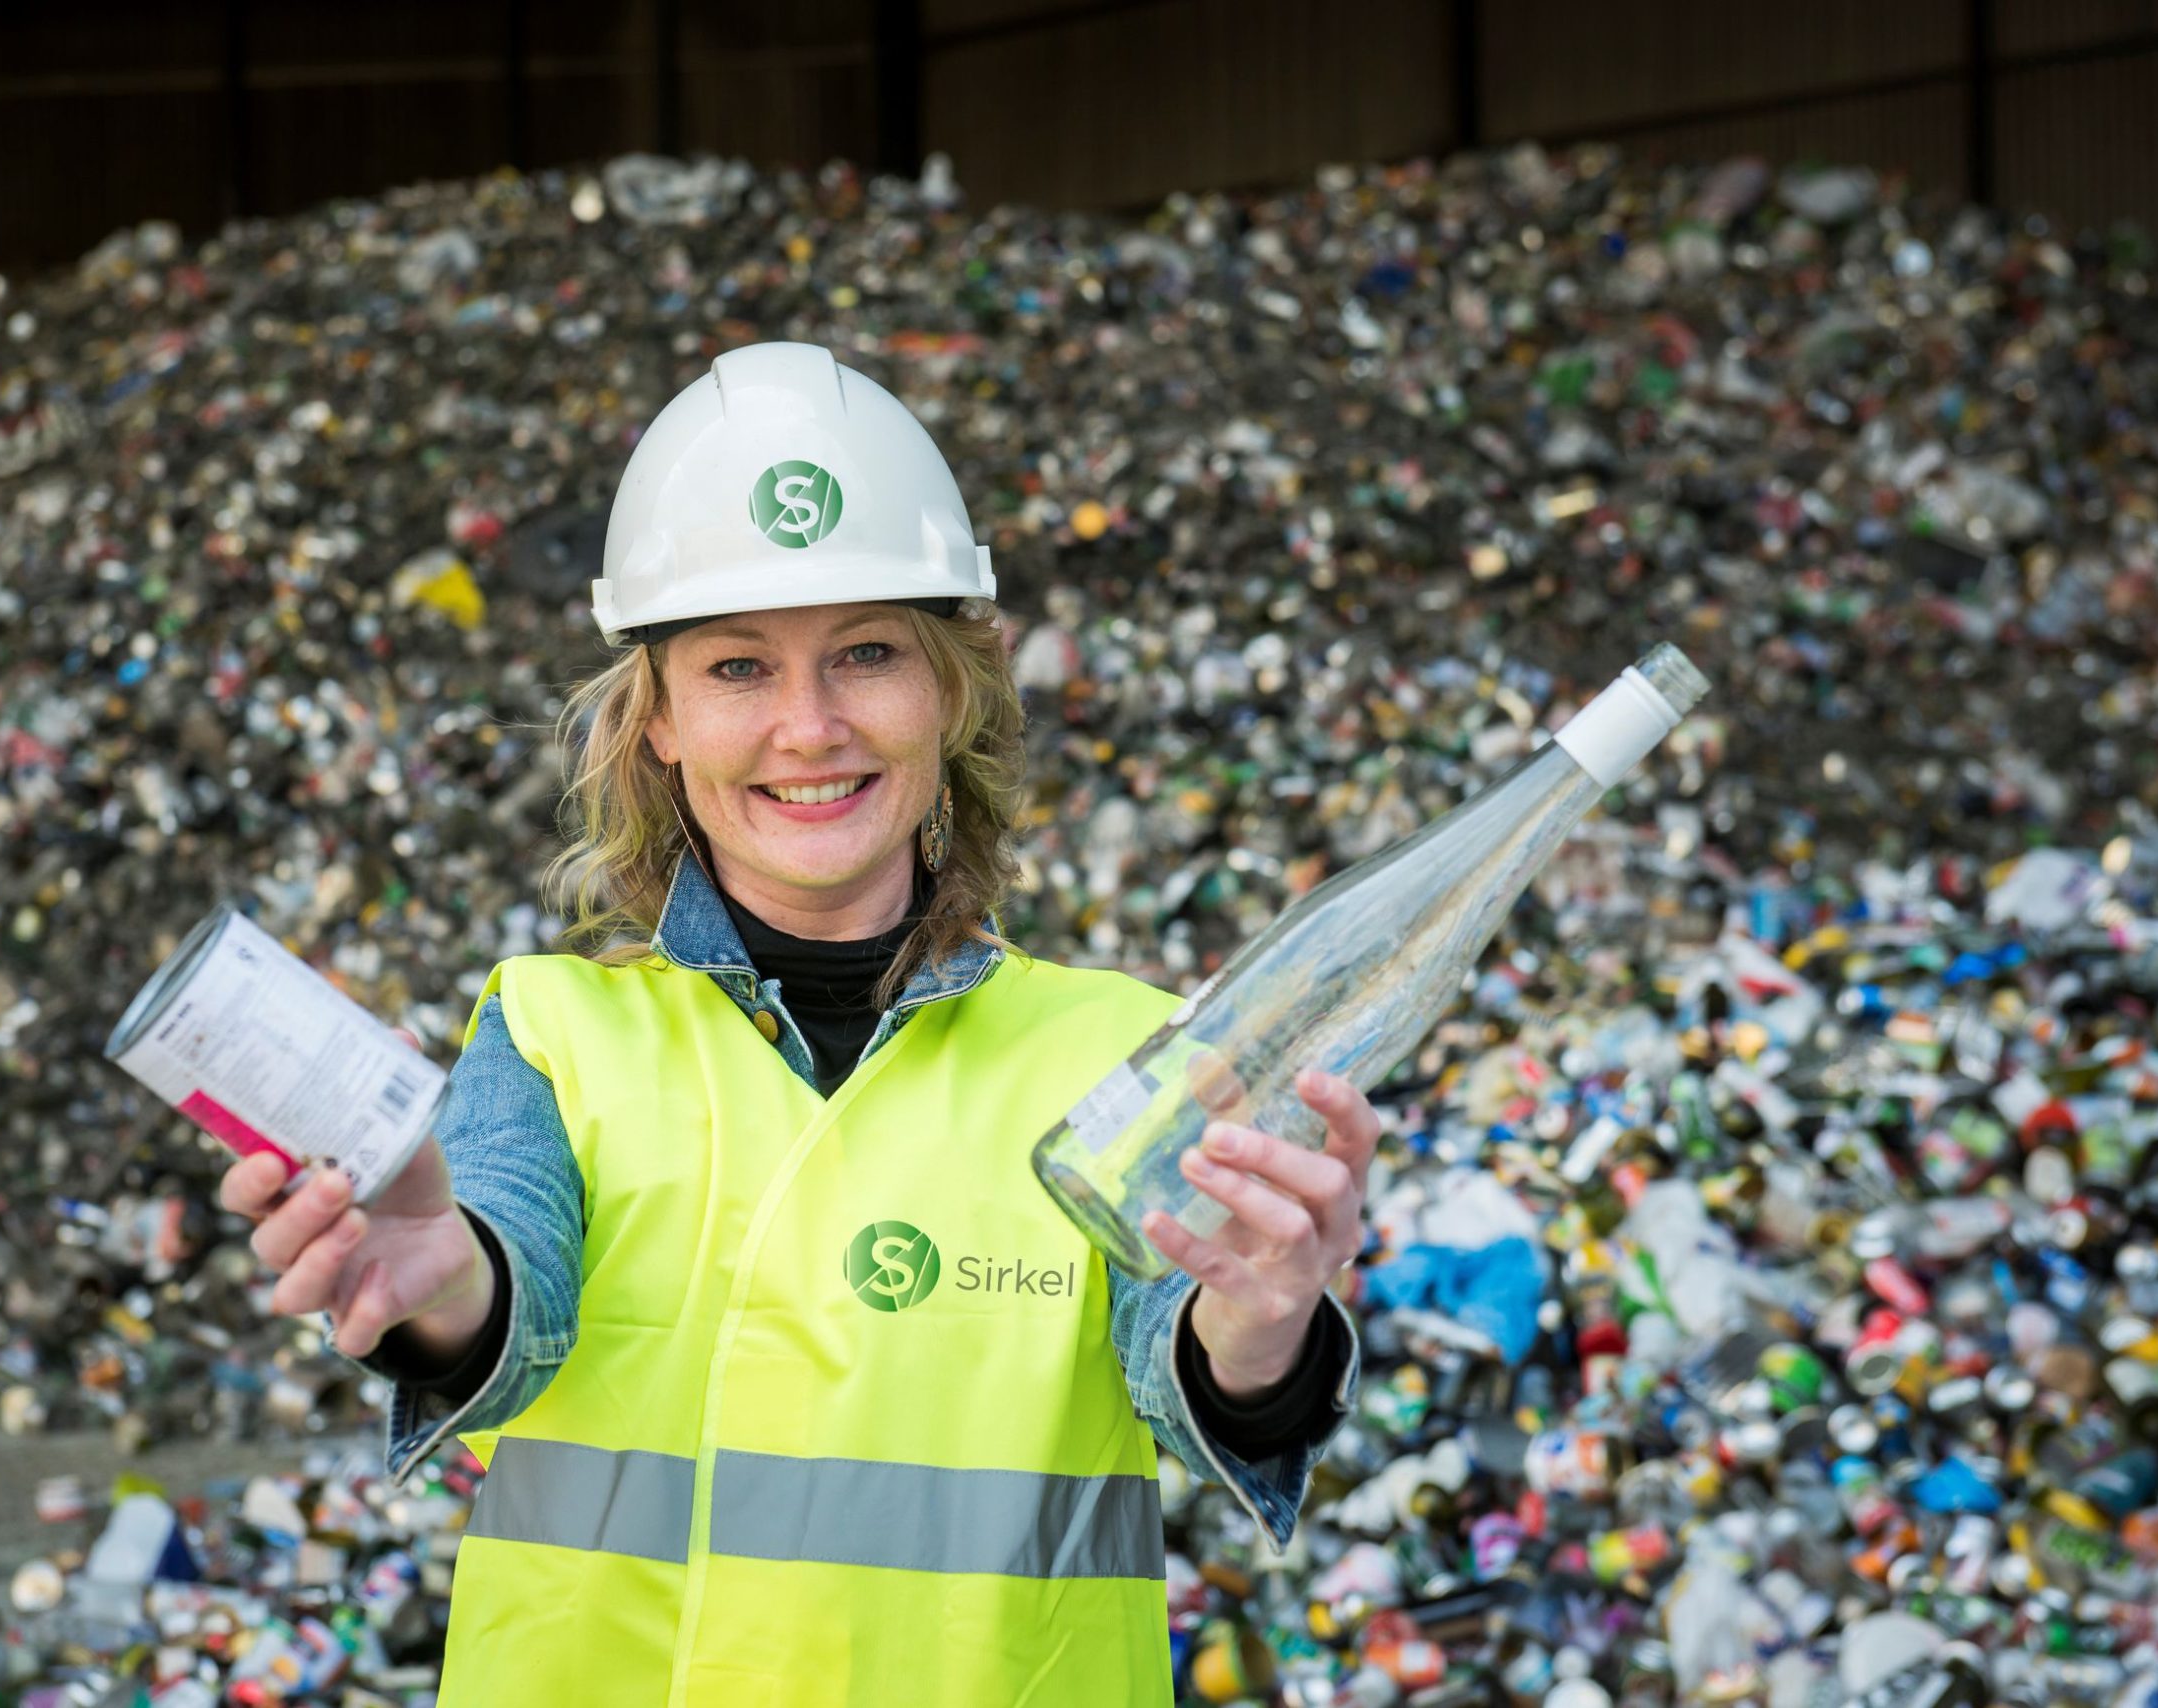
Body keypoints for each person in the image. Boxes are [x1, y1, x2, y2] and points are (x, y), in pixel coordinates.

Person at [217, 342, 1381, 1705]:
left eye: (868, 654)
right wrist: (440, 1287)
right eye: (737, 669)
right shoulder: (550, 1034)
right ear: (657, 719)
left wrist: (1258, 1336)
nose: (810, 728)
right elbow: (503, 1292)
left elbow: (1184, 1349)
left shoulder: (1119, 1052)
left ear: (952, 686)